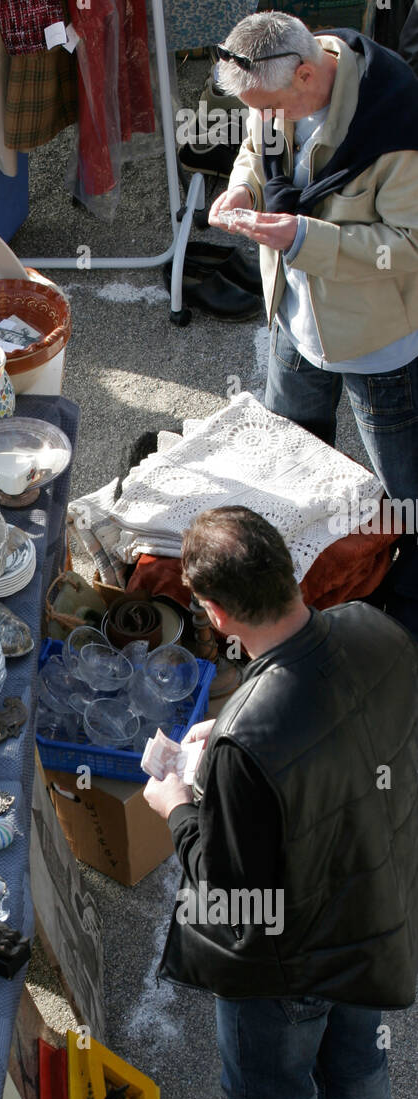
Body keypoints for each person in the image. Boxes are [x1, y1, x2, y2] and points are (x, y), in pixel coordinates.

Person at [142, 506, 418, 1099]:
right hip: (376, 913)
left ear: (215, 610)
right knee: (359, 1075)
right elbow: (343, 733)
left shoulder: (250, 741)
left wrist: (178, 804)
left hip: (289, 960)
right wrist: (229, 736)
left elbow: (230, 894)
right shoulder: (376, 627)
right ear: (290, 570)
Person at [208, 11, 418, 633]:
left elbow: (408, 244)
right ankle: (301, 587)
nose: (264, 118)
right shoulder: (273, 87)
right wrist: (243, 188)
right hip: (292, 324)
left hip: (375, 345)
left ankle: (404, 609)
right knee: (288, 463)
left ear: (306, 74)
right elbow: (254, 151)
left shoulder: (397, 120)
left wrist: (304, 238)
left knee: (404, 494)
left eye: (270, 106)